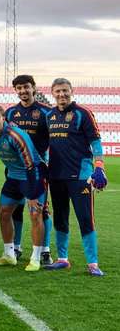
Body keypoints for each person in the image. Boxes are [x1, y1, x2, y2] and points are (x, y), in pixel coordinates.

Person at [44, 78, 106, 276]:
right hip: (56, 175)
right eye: (58, 91)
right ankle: (62, 259)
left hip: (80, 176)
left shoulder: (83, 113)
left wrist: (99, 167)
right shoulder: (49, 115)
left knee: (85, 218)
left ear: (71, 91)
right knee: (60, 217)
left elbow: (96, 142)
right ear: (52, 93)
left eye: (65, 90)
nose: (61, 94)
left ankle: (93, 263)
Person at [0, 104, 46, 271]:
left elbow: (31, 165)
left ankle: (35, 258)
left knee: (35, 214)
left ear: (3, 118)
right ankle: (9, 255)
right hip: (13, 177)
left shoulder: (16, 135)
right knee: (3, 212)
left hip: (32, 177)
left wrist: (32, 195)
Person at [5, 75, 53, 264]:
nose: (23, 91)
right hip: (16, 170)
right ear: (15, 90)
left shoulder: (46, 112)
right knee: (16, 209)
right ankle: (16, 248)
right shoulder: (10, 113)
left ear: (33, 88)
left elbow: (56, 139)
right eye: (19, 88)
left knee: (41, 210)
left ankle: (45, 251)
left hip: (38, 170)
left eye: (26, 87)